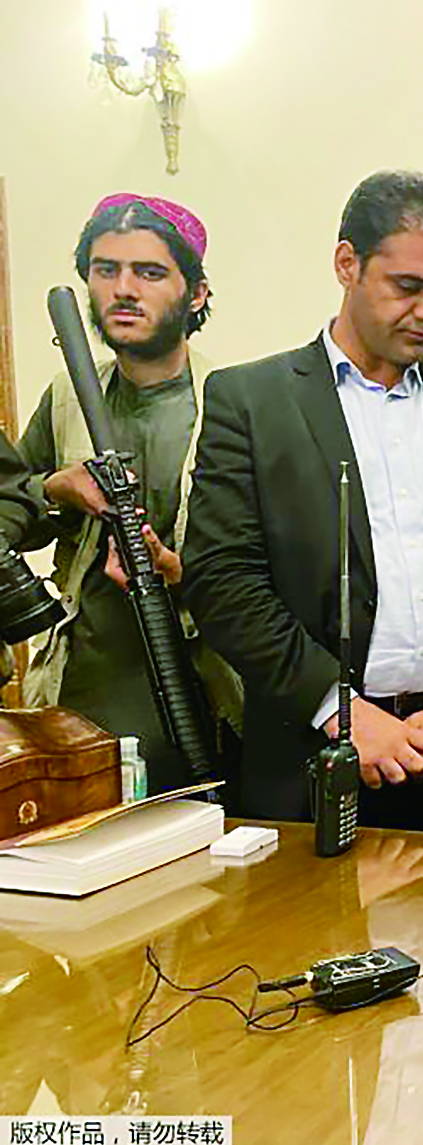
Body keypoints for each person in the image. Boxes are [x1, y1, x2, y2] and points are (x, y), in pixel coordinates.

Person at [184, 171, 423, 832]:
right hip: (312, 763)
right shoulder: (252, 402)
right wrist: (341, 708)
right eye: (409, 287)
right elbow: (223, 581)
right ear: (346, 264)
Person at [16, 193, 234, 795]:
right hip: (80, 696)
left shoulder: (233, 402)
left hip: (202, 694)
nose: (124, 289)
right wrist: (57, 489)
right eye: (106, 270)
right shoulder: (67, 396)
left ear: (196, 293)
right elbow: (14, 512)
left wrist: (176, 570)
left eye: (150, 272)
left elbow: (276, 569)